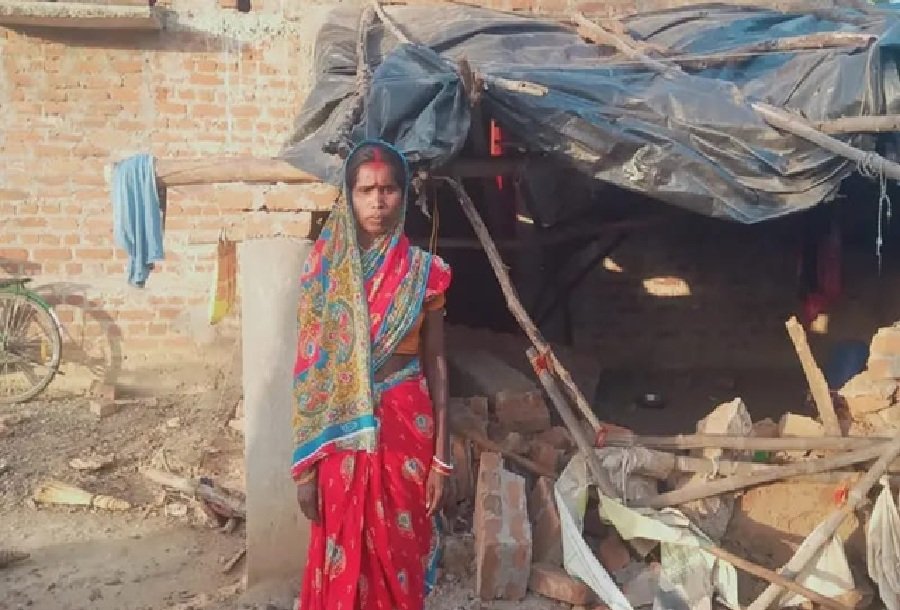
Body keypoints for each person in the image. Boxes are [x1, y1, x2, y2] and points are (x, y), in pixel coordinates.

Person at [291, 140, 453, 610]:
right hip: (341, 439)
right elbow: (311, 371)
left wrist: (442, 458)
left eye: (388, 190)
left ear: (403, 196)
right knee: (343, 557)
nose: (377, 202)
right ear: (349, 196)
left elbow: (436, 362)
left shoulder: (424, 273)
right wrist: (305, 469)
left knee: (399, 557)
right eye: (365, 190)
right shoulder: (326, 275)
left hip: (407, 426)